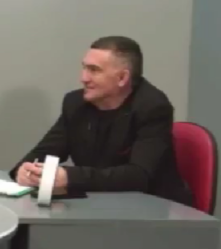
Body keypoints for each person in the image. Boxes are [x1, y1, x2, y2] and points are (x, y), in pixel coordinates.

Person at [10, 35, 194, 206]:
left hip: (153, 209)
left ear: (122, 77)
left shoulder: (152, 107)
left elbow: (139, 175)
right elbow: (44, 152)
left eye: (94, 70)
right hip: (97, 203)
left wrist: (69, 177)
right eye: (84, 68)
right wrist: (24, 170)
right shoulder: (76, 103)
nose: (83, 78)